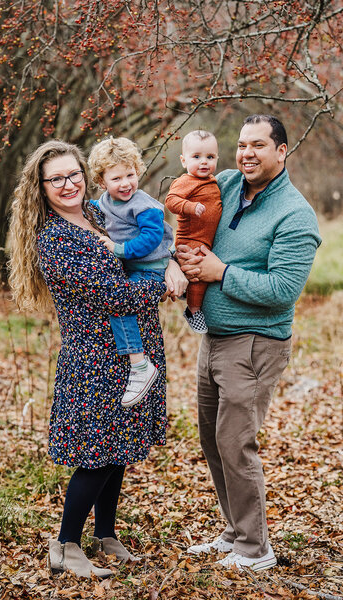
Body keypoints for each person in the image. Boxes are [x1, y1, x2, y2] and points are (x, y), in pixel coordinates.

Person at [8, 139, 187, 578]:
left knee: (119, 448)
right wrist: (165, 283)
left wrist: (170, 262)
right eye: (57, 179)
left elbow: (151, 241)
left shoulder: (97, 213)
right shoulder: (55, 238)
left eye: (74, 174)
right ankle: (66, 544)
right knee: (96, 454)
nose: (68, 184)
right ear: (41, 187)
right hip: (94, 359)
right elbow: (116, 294)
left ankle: (105, 535)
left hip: (132, 351)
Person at [177, 115, 321, 572]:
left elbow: (282, 290)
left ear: (282, 151)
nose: (246, 154)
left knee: (235, 442)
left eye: (258, 145)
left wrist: (221, 273)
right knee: (212, 439)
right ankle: (234, 533)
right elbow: (186, 211)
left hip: (256, 344)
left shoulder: (295, 215)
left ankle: (256, 550)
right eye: (241, 144)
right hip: (213, 338)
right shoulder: (224, 183)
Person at [88, 136, 174, 408]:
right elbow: (92, 211)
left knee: (121, 304)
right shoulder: (103, 202)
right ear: (102, 182)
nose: (126, 183)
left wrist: (119, 249)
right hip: (134, 268)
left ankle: (139, 366)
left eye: (130, 174)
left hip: (151, 267)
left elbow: (151, 239)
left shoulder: (143, 205)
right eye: (117, 178)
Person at [165, 130, 222, 334]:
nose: (204, 162)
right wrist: (189, 206)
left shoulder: (211, 180)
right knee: (197, 273)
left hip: (204, 239)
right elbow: (170, 201)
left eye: (210, 157)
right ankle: (193, 309)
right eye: (196, 157)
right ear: (183, 160)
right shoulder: (185, 181)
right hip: (191, 240)